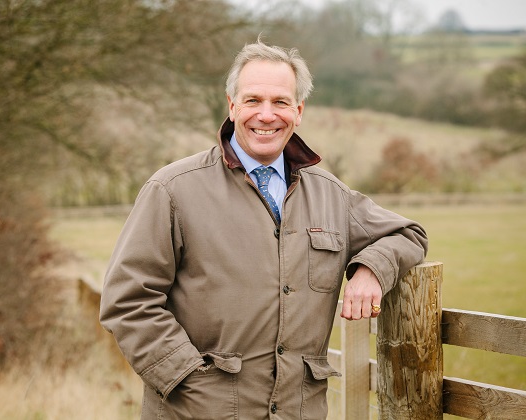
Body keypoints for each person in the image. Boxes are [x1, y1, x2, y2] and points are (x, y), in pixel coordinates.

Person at [99, 39, 428, 420]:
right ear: (232, 106)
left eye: (281, 102)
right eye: (253, 100)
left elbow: (409, 234)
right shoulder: (173, 190)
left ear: (299, 111)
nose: (267, 115)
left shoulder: (331, 195)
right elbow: (127, 300)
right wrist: (189, 381)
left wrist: (372, 267)